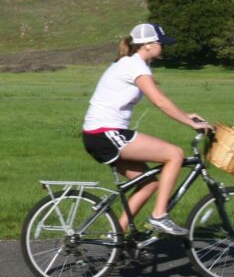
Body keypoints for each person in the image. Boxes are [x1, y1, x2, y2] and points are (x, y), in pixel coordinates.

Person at [81, 23, 210, 237]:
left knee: (148, 184)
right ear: (148, 45)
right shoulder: (135, 65)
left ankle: (117, 236)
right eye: (161, 43)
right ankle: (159, 216)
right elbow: (159, 101)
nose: (164, 48)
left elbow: (159, 101)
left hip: (100, 135)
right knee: (174, 154)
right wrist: (192, 124)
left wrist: (185, 115)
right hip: (106, 133)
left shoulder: (131, 64)